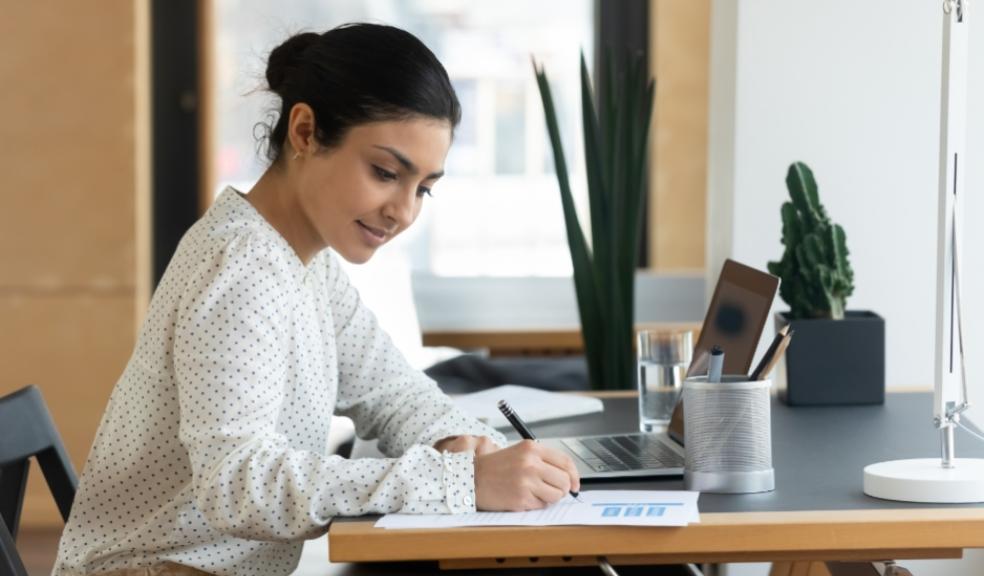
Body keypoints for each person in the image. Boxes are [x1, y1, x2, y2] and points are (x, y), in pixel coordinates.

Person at [52, 23, 579, 576]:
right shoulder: (238, 268)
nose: (403, 211)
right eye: (384, 173)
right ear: (304, 132)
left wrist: (468, 445)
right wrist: (458, 481)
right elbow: (238, 486)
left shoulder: (306, 260)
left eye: (422, 187)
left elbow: (390, 389)